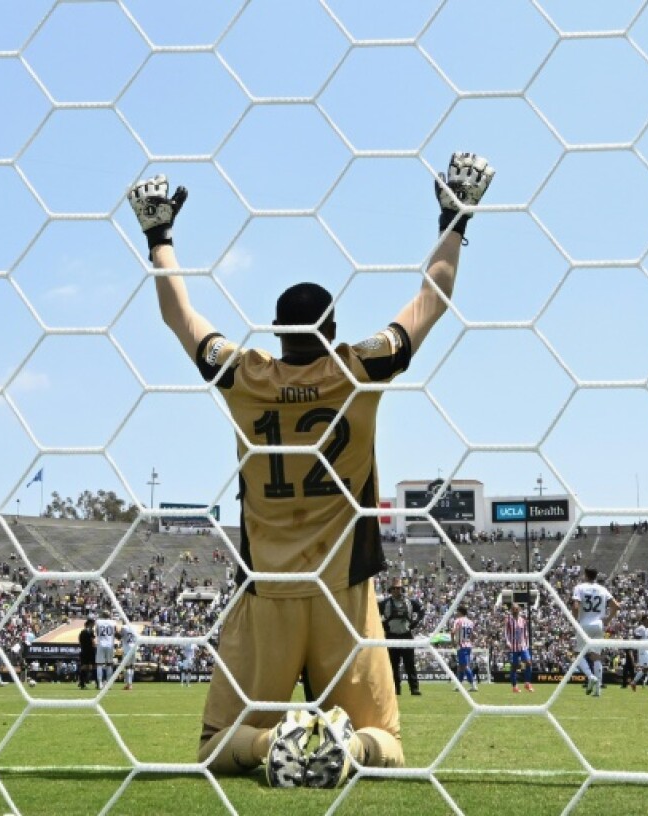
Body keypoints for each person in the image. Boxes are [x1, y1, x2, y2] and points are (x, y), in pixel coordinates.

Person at [130, 151, 495, 789]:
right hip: (344, 595)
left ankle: (276, 742)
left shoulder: (245, 375)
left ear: (277, 334)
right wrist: (456, 217)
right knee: (390, 745)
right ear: (332, 327)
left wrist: (159, 238)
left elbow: (178, 316)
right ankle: (344, 748)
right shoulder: (359, 367)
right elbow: (432, 298)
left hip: (267, 593)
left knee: (218, 747)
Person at [571, 567, 619, 697]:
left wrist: (575, 620)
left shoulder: (579, 588)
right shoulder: (602, 589)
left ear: (586, 575)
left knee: (578, 654)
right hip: (598, 625)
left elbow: (575, 606)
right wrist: (608, 619)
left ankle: (590, 676)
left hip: (584, 624)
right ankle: (598, 690)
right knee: (596, 656)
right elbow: (616, 606)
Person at [381, 577, 424, 696]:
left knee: (410, 664)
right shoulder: (385, 603)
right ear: (391, 590)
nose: (396, 591)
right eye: (394, 588)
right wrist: (383, 626)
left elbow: (422, 610)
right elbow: (374, 614)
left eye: (399, 588)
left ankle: (414, 688)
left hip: (406, 636)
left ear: (402, 589)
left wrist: (416, 622)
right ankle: (395, 689)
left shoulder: (410, 602)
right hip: (391, 637)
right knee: (393, 665)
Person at [504, 603, 533, 694]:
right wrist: (507, 642)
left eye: (516, 609)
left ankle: (527, 683)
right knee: (514, 666)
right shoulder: (508, 620)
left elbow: (525, 633)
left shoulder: (523, 620)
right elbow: (506, 632)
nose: (515, 610)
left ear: (519, 609)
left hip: (523, 646)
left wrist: (527, 644)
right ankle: (515, 686)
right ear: (511, 610)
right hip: (513, 646)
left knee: (528, 662)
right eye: (513, 609)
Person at [450, 605, 478, 692]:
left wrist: (453, 642)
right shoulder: (470, 622)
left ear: (460, 612)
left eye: (457, 611)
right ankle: (459, 685)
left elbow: (453, 631)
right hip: (468, 645)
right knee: (461, 667)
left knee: (464, 666)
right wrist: (470, 640)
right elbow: (474, 635)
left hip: (461, 646)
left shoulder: (458, 621)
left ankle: (473, 685)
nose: (456, 613)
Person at [631, 616, 648, 693]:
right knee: (647, 668)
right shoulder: (641, 628)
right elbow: (636, 635)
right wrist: (640, 642)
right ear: (644, 620)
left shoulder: (647, 629)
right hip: (643, 651)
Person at [95, 617, 118, 689]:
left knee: (99, 664)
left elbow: (97, 632)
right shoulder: (113, 622)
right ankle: (108, 683)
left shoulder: (98, 621)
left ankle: (100, 683)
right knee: (109, 664)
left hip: (101, 644)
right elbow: (116, 632)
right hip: (110, 644)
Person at [120, 622, 140, 691]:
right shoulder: (135, 627)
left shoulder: (124, 627)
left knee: (127, 667)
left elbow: (120, 636)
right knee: (132, 666)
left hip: (127, 649)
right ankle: (129, 684)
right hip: (134, 648)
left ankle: (129, 684)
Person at [78, 618, 96, 690]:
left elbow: (80, 641)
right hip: (90, 651)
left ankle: (82, 682)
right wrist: (94, 647)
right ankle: (97, 683)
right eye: (93, 624)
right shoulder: (90, 630)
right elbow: (92, 641)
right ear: (90, 623)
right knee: (93, 666)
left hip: (83, 650)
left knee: (85, 667)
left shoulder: (82, 632)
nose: (94, 625)